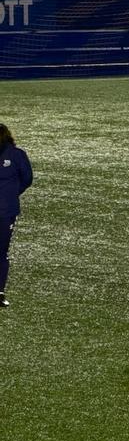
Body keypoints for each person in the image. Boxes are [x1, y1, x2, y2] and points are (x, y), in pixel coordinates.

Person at [0, 124, 34, 308]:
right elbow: (27, 179)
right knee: (1, 253)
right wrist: (12, 193)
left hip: (6, 209)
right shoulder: (16, 154)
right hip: (6, 211)